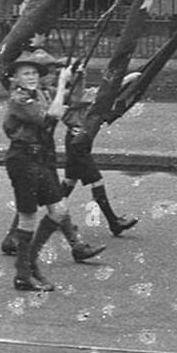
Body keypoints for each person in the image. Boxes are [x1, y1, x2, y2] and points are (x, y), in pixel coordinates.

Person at [0, 50, 74, 291]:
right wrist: (62, 83)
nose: (31, 77)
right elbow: (52, 114)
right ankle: (23, 273)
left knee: (59, 210)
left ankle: (30, 261)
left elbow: (65, 106)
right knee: (28, 216)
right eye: (26, 74)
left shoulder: (41, 93)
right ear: (16, 78)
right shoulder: (18, 99)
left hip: (40, 157)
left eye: (34, 73)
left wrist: (70, 81)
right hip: (22, 159)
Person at [59, 80, 138, 239]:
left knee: (70, 180)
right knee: (97, 181)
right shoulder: (71, 95)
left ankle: (55, 217)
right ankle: (114, 222)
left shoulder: (76, 93)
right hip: (78, 144)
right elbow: (99, 95)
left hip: (78, 141)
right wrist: (126, 79)